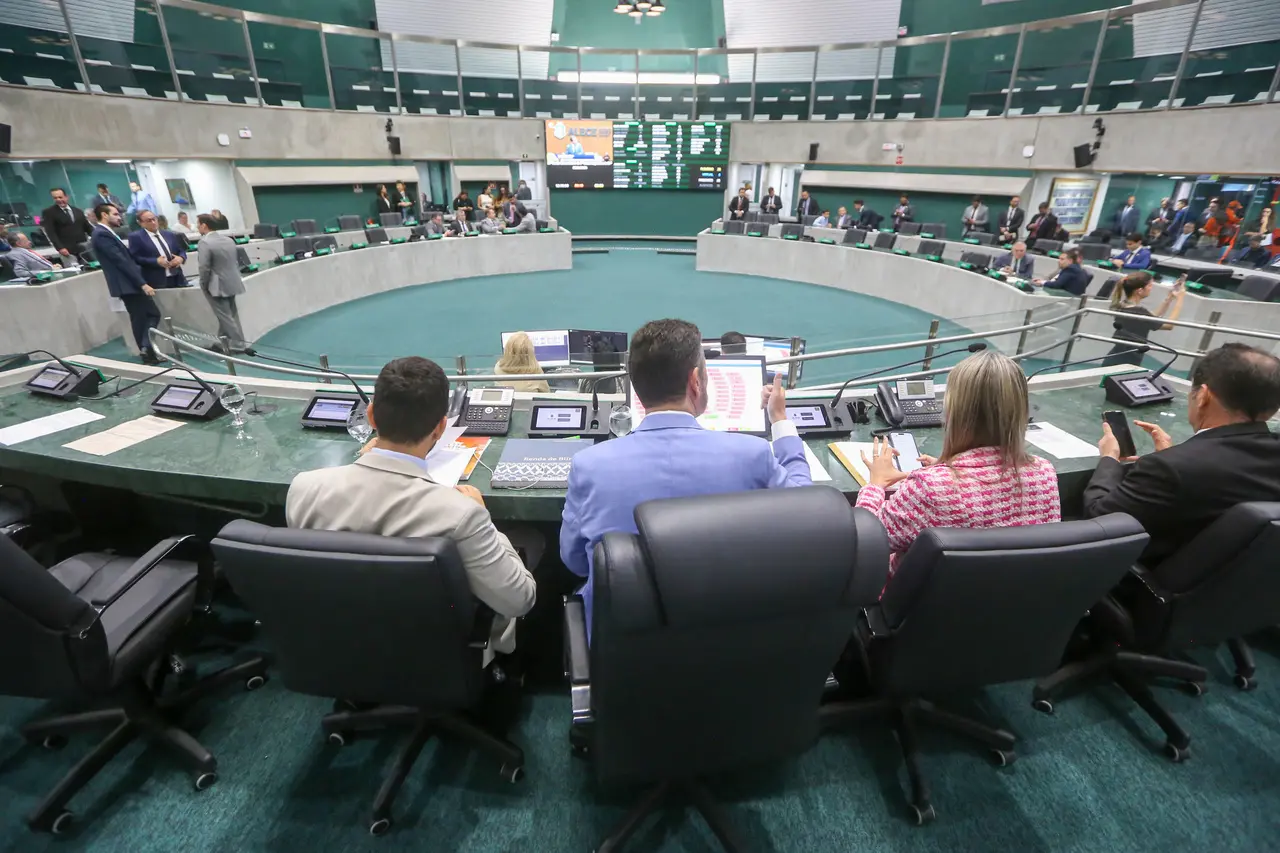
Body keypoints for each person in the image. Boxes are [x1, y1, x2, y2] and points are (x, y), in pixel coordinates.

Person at [559, 318, 811, 638]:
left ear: (635, 386)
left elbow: (576, 562)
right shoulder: (754, 455)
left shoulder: (588, 465)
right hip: (728, 645)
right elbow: (806, 505)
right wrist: (780, 421)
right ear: (696, 382)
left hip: (624, 658)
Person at [287, 356, 538, 657]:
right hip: (435, 657)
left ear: (371, 416)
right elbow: (520, 600)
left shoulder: (304, 488)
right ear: (440, 427)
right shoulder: (462, 514)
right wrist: (486, 520)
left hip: (341, 648)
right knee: (532, 540)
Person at [856, 350, 1060, 575]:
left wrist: (875, 485)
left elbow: (863, 544)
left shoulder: (930, 488)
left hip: (920, 606)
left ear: (956, 412)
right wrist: (946, 469)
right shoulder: (1044, 473)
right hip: (1010, 602)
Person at [1084, 343, 1280, 573]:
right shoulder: (1175, 464)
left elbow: (1099, 520)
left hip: (1153, 590)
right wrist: (1176, 455)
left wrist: (1109, 459)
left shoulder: (1169, 468)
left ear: (1203, 396)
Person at [91, 204, 160, 364]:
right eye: (115, 214)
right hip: (127, 284)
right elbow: (121, 261)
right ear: (104, 215)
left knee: (144, 317)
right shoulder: (101, 234)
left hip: (128, 283)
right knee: (147, 315)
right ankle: (145, 349)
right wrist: (142, 284)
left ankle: (147, 351)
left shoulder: (106, 233)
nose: (119, 217)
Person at [1101, 271, 1185, 366]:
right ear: (1140, 290)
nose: (1151, 288)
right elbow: (1169, 325)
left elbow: (1151, 318)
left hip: (1117, 357)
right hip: (1126, 362)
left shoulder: (1123, 305)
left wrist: (1169, 299)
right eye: (1149, 286)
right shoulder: (1139, 312)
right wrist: (1180, 298)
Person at [194, 213, 251, 354]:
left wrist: (203, 284)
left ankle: (239, 346)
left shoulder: (204, 242)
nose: (197, 227)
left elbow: (204, 267)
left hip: (216, 285)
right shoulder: (228, 240)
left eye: (198, 224)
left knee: (225, 317)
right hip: (232, 281)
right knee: (227, 315)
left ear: (204, 225)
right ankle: (220, 343)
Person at [128, 210, 189, 290]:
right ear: (141, 223)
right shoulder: (136, 237)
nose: (153, 222)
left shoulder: (169, 234)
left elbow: (181, 250)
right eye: (149, 221)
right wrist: (155, 261)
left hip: (177, 277)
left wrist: (181, 258)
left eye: (154, 219)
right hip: (156, 280)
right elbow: (135, 258)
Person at [40, 187, 94, 260]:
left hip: (84, 248)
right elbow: (51, 232)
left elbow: (88, 228)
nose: (58, 200)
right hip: (67, 250)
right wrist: (60, 248)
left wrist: (98, 237)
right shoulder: (49, 212)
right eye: (55, 198)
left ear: (66, 197)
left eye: (60, 197)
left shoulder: (78, 211)